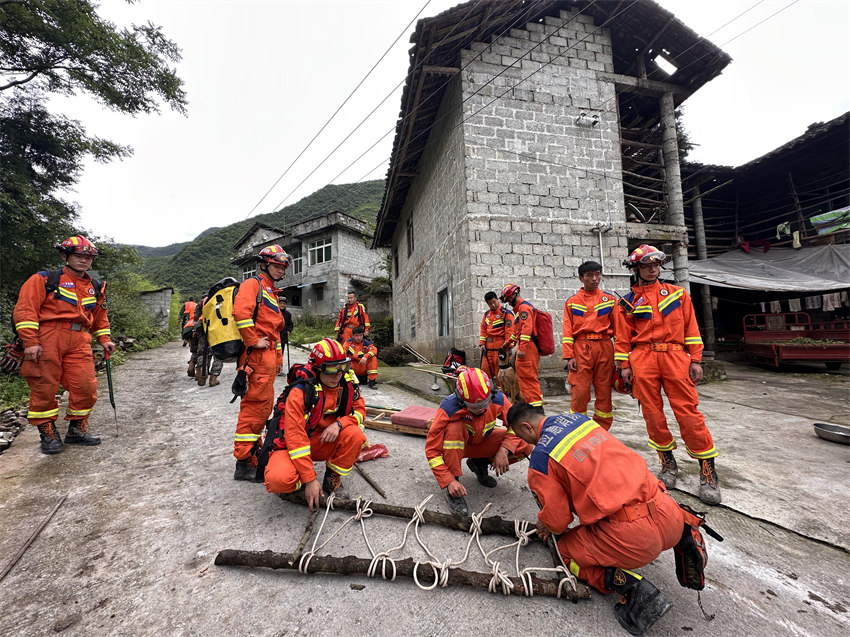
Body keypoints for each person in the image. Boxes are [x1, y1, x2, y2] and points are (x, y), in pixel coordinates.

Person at [507, 402, 682, 636]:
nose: (527, 444)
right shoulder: (579, 421)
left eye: (521, 436)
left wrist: (545, 523)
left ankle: (634, 590)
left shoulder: (540, 459)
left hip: (636, 539)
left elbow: (558, 522)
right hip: (669, 512)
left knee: (566, 551)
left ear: (527, 428)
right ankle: (689, 540)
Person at [614, 244, 721, 505]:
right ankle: (667, 464)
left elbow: (691, 328)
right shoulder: (627, 302)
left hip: (675, 356)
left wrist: (695, 359)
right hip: (643, 359)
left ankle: (708, 472)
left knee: (689, 412)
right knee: (652, 413)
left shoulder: (678, 295)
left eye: (656, 265)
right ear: (637, 269)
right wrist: (625, 367)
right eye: (647, 266)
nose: (653, 269)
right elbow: (622, 338)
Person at [13, 235, 116, 454]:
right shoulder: (43, 279)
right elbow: (25, 311)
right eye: (78, 255)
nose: (84, 260)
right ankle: (48, 432)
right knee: (44, 386)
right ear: (65, 256)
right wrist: (30, 341)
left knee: (86, 386)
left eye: (88, 257)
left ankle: (77, 430)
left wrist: (104, 340)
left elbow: (99, 317)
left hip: (79, 340)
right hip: (47, 337)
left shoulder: (95, 286)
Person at [264, 338, 367, 509]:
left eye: (342, 367)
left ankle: (331, 477)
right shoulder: (301, 392)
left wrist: (340, 424)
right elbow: (295, 438)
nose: (338, 375)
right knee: (278, 480)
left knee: (356, 434)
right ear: (318, 368)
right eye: (332, 370)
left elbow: (360, 411)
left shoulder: (346, 384)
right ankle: (298, 484)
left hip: (323, 439)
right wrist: (309, 479)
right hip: (292, 444)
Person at [425, 367, 533, 515]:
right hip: (455, 450)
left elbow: (516, 426)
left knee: (526, 444)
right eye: (475, 407)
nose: (481, 409)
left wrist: (504, 449)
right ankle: (453, 489)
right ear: (461, 401)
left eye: (485, 403)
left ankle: (479, 463)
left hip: (481, 442)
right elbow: (432, 450)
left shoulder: (498, 398)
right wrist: (448, 480)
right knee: (454, 431)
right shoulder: (448, 409)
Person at [232, 245, 289, 481]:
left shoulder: (271, 290)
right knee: (254, 409)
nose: (280, 269)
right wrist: (253, 341)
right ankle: (244, 462)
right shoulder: (252, 285)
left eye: (283, 266)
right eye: (276, 265)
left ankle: (252, 451)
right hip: (255, 358)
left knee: (263, 407)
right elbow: (240, 313)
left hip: (266, 357)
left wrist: (276, 359)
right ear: (264, 264)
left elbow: (273, 331)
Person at [562, 261, 616, 430]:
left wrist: (622, 357)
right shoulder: (572, 302)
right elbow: (567, 331)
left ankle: (602, 429)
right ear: (581, 278)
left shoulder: (610, 300)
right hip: (581, 348)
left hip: (604, 347)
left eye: (598, 274)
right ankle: (577, 427)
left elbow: (620, 331)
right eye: (590, 275)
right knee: (579, 391)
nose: (595, 279)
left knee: (604, 390)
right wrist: (569, 356)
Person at [499, 283, 544, 411]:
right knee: (524, 380)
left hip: (528, 349)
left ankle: (536, 410)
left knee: (529, 380)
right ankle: (531, 406)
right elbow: (516, 333)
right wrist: (507, 344)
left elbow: (526, 330)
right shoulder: (519, 310)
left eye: (508, 299)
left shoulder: (524, 308)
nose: (508, 302)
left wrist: (522, 349)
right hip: (525, 347)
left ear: (514, 295)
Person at [479, 291, 514, 387]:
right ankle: (488, 393)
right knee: (485, 372)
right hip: (488, 349)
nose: (493, 305)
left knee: (501, 374)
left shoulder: (506, 314)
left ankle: (503, 396)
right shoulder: (487, 315)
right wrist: (482, 344)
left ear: (498, 300)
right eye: (490, 303)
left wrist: (508, 347)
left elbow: (509, 332)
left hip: (500, 349)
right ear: (487, 304)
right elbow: (483, 329)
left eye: (494, 302)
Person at [191, 296, 222, 387]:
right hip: (218, 327)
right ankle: (213, 378)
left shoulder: (203, 300)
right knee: (218, 354)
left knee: (203, 351)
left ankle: (202, 371)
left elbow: (196, 314)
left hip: (203, 327)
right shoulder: (221, 298)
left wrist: (194, 327)